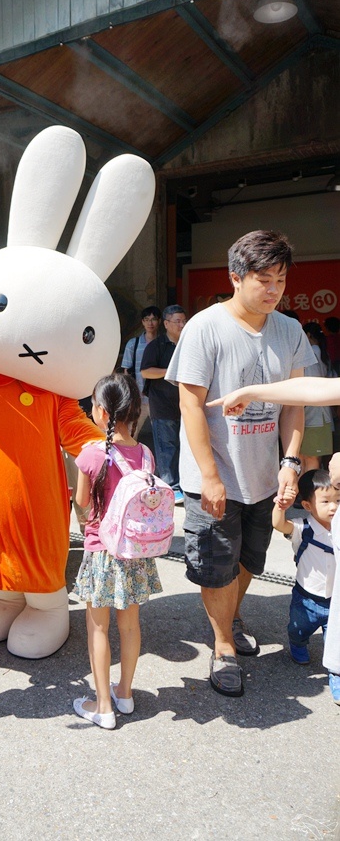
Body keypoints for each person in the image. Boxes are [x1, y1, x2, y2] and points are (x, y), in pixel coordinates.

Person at [165, 230, 315, 697]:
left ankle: (230, 615)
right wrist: (208, 475)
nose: (273, 290)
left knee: (249, 557)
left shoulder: (289, 329)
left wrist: (290, 461)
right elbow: (190, 405)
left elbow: (296, 402)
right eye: (263, 279)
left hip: (262, 474)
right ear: (235, 277)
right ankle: (224, 645)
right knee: (216, 564)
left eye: (281, 280)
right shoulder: (205, 327)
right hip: (214, 476)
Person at [208, 380, 340, 705]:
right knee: (301, 629)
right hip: (307, 597)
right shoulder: (306, 525)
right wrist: (253, 393)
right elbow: (309, 390)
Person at [72, 373, 162, 729]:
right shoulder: (146, 454)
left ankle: (103, 706)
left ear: (103, 412)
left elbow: (82, 503)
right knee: (130, 626)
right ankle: (124, 692)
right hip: (136, 555)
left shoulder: (92, 455)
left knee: (97, 628)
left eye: (94, 404)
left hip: (102, 552)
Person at [271, 469, 337, 676]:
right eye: (325, 502)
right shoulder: (303, 528)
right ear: (308, 505)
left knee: (336, 643)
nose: (334, 507)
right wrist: (281, 506)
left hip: (336, 600)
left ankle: (335, 673)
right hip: (306, 598)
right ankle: (298, 644)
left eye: (338, 500)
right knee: (298, 629)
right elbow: (278, 524)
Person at [140, 305, 187, 505]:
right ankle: (171, 486)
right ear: (166, 324)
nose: (182, 325)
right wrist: (171, 371)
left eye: (184, 321)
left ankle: (184, 484)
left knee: (186, 447)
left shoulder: (189, 344)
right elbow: (145, 372)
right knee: (167, 447)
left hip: (187, 406)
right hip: (163, 405)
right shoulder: (156, 346)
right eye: (177, 321)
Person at [121, 305, 161, 436]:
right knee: (131, 433)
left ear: (159, 321)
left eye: (154, 319)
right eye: (147, 319)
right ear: (142, 322)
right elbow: (127, 371)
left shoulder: (164, 343)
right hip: (138, 397)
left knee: (163, 436)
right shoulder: (134, 344)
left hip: (159, 398)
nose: (150, 323)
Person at [300, 322, 334, 472]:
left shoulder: (312, 353)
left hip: (313, 416)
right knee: (309, 457)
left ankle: (310, 492)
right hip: (319, 415)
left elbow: (311, 385)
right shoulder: (321, 352)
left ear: (307, 335)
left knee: (309, 457)